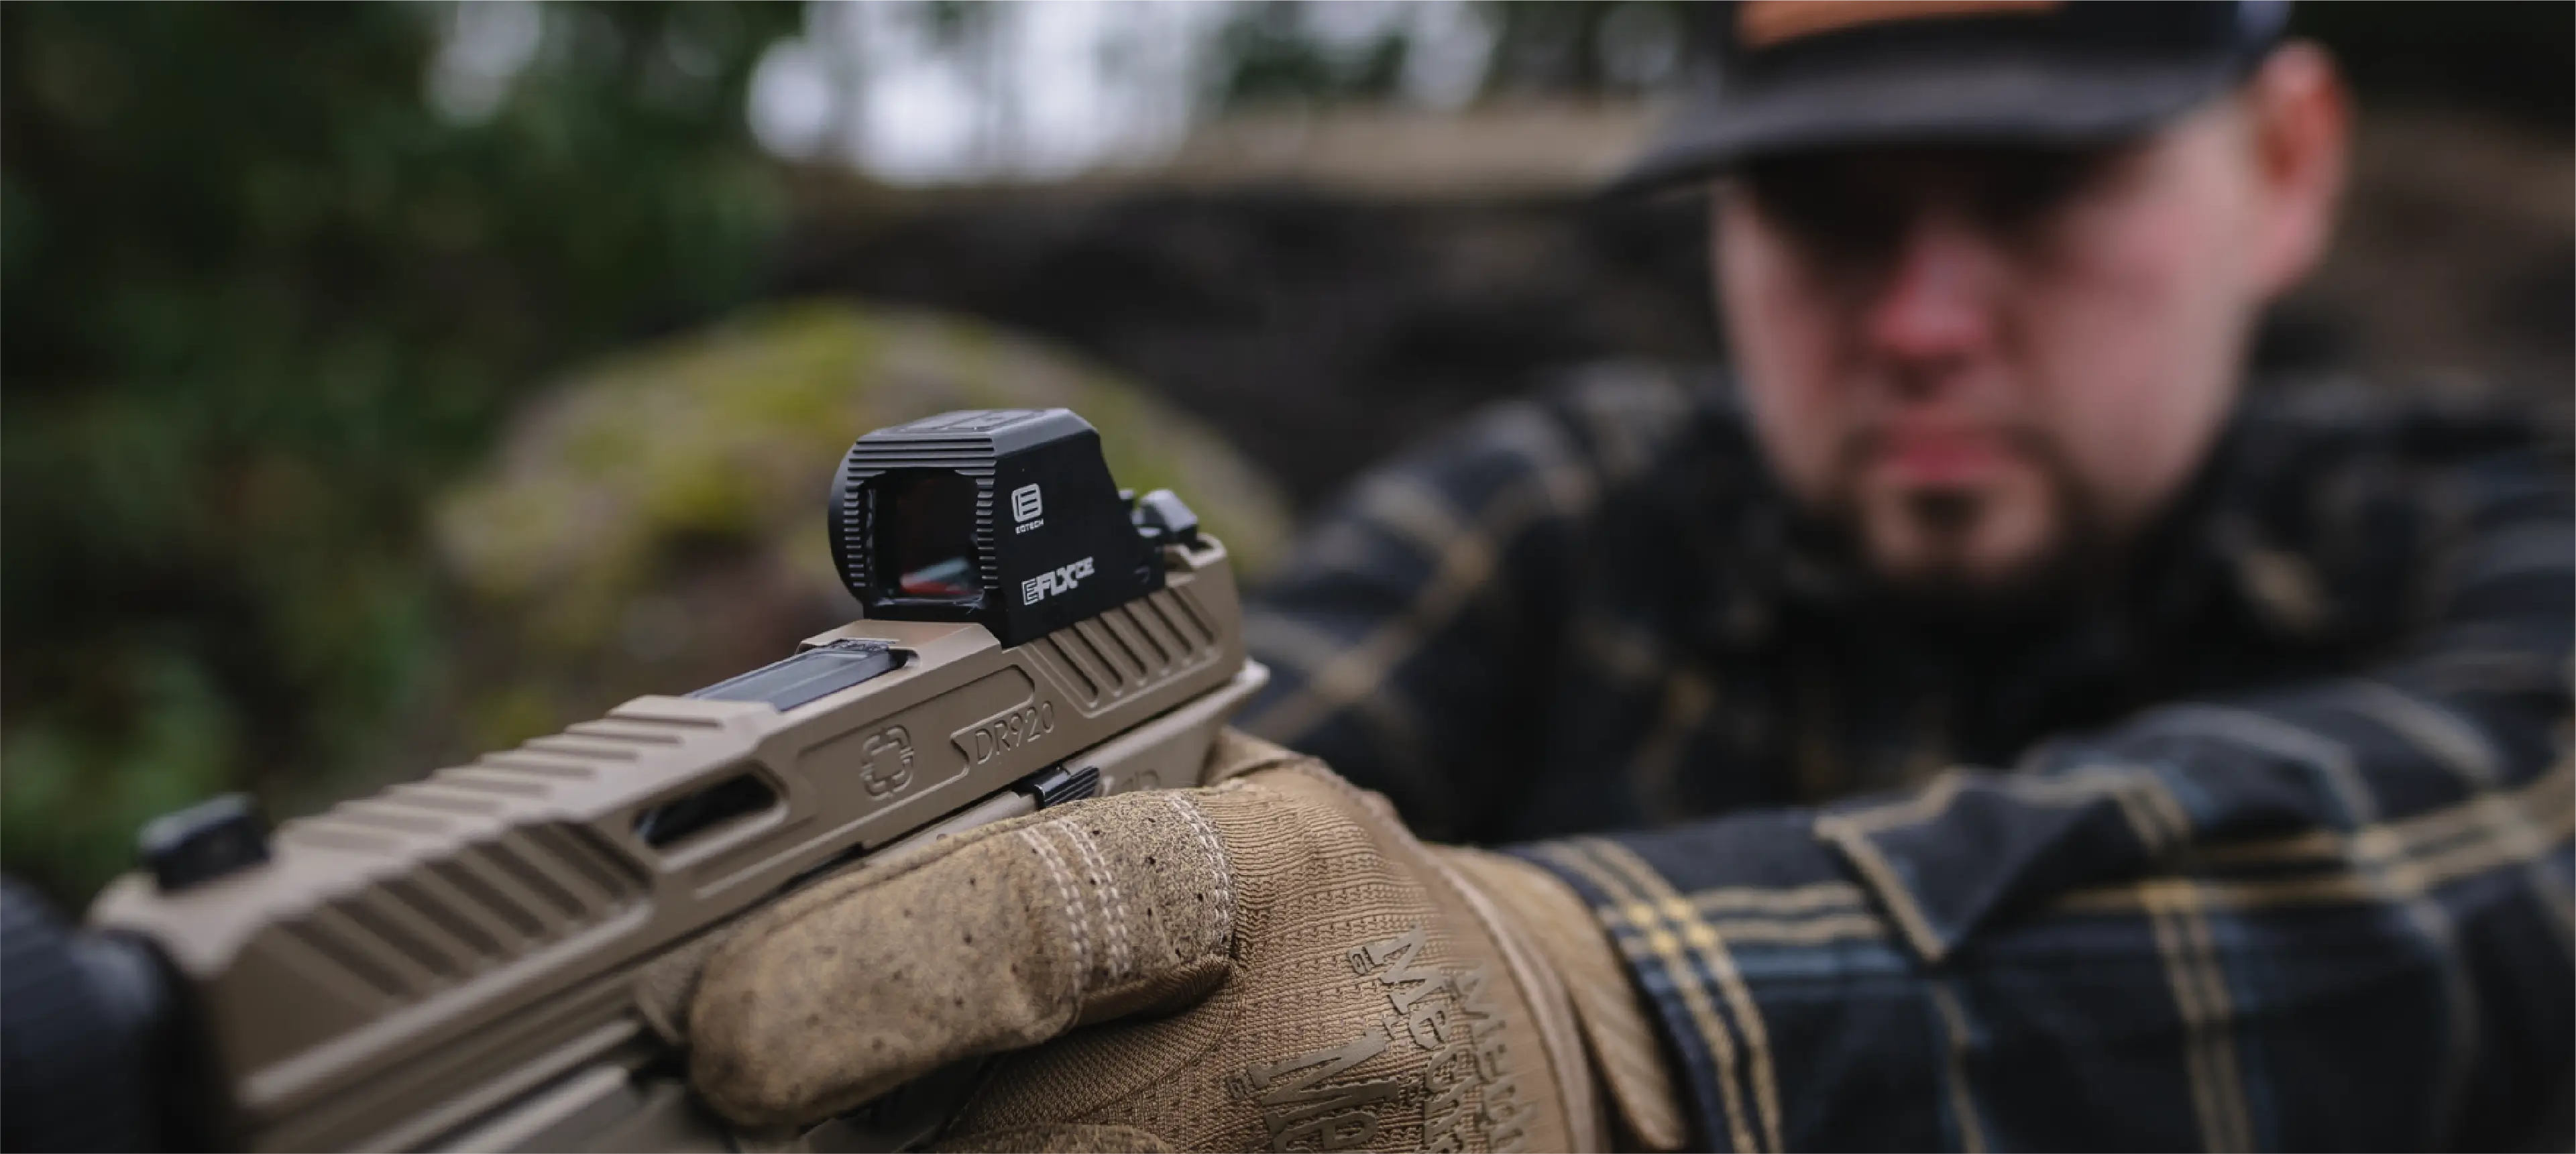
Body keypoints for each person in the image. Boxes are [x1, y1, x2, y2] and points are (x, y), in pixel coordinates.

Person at [676, 1, 2576, 1151]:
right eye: (1827, 214)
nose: (1924, 323)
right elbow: (1244, 735)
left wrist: (1575, 1004)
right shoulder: (1567, 507)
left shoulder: (2496, 533)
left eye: (2037, 195)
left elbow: (2462, 869)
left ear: (2286, 160)